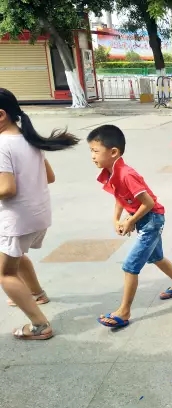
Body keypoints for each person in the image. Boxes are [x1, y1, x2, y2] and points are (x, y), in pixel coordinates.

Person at [88, 125, 172, 328]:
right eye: (91, 151)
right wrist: (117, 219)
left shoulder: (127, 174)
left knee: (130, 266)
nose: (92, 156)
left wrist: (131, 220)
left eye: (96, 151)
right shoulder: (112, 173)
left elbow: (149, 203)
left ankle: (124, 312)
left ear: (114, 152)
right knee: (156, 257)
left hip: (152, 220)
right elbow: (119, 198)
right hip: (144, 219)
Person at [0, 88, 78, 340]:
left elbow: (7, 189)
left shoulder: (2, 145)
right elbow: (50, 177)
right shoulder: (28, 139)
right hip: (38, 216)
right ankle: (36, 294)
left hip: (17, 220)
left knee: (5, 274)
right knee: (16, 255)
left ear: (1, 115)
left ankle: (39, 326)